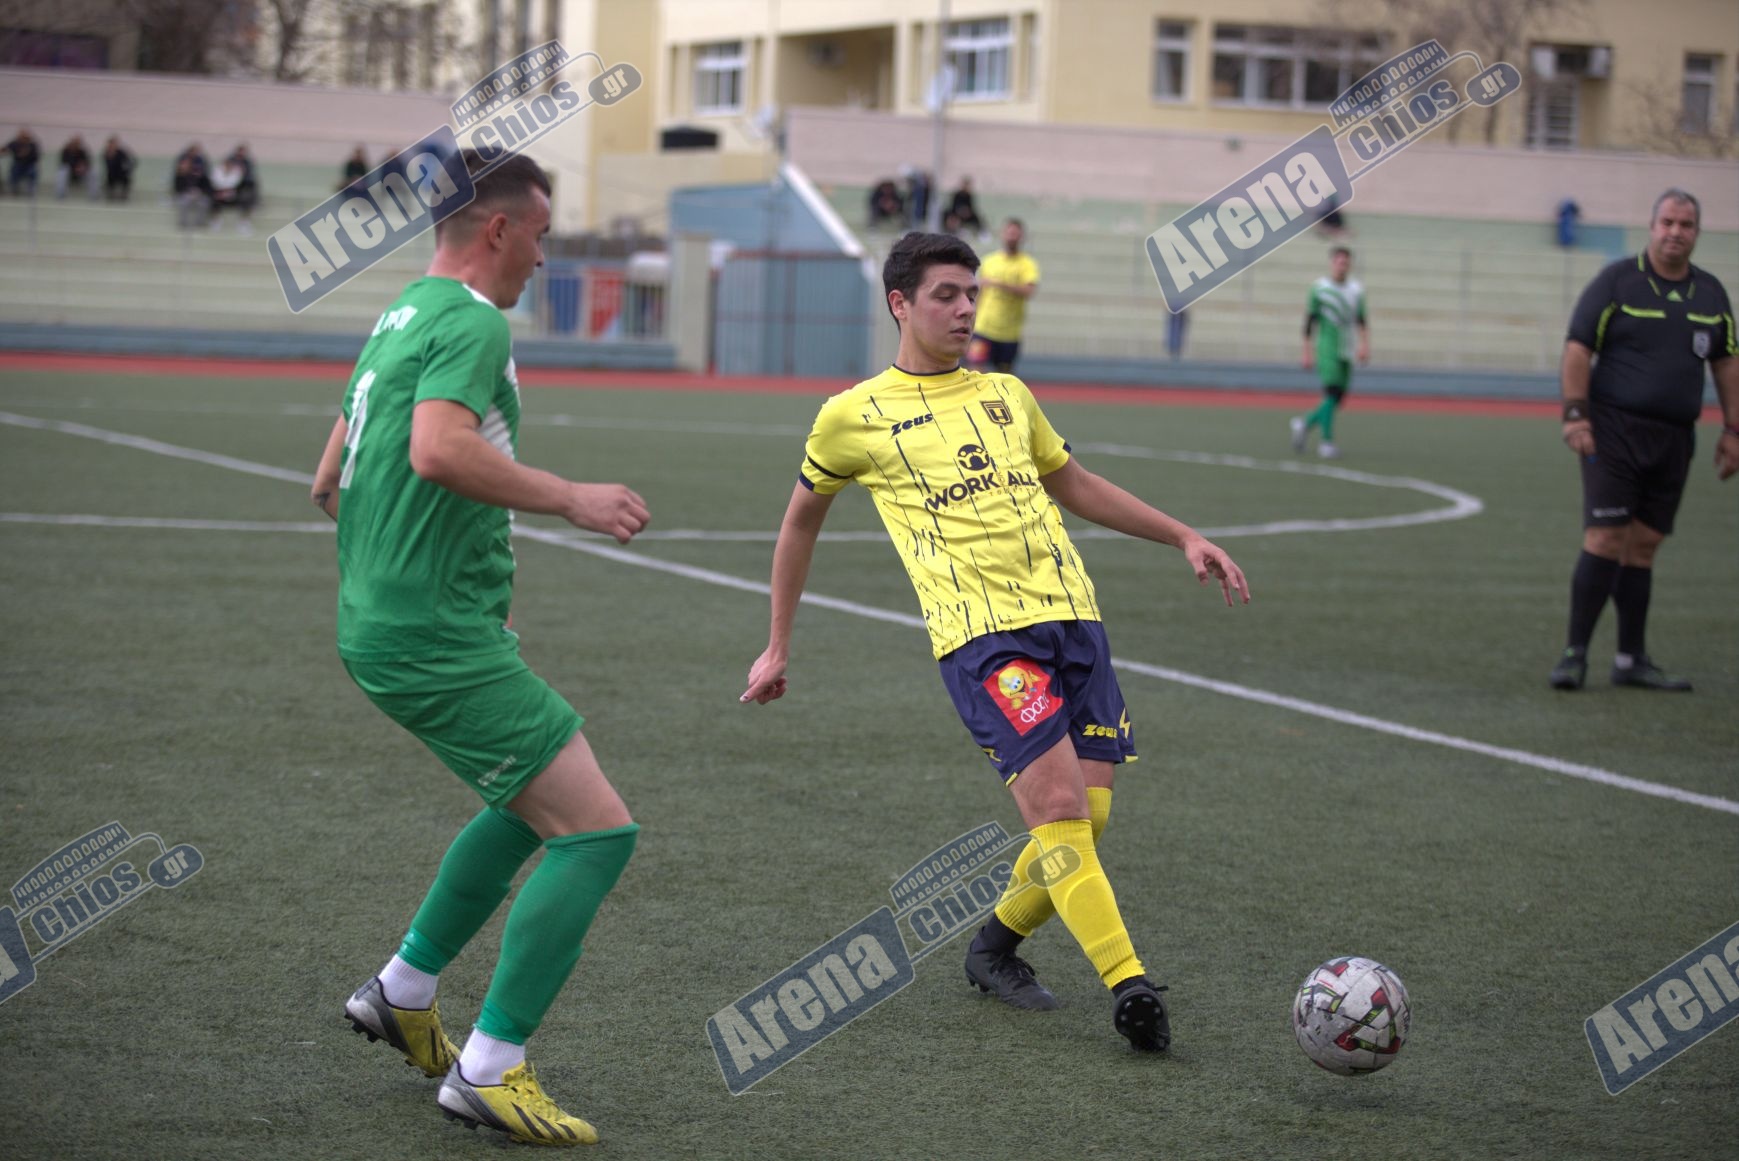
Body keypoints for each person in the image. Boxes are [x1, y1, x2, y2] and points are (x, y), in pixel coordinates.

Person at [741, 231, 1250, 1055]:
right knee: (1058, 811)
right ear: (899, 303)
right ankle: (1128, 985)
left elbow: (1074, 484)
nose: (966, 308)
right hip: (982, 639)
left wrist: (1182, 534)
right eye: (945, 293)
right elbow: (800, 521)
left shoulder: (1007, 393)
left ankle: (993, 947)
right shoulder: (852, 414)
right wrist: (777, 644)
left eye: (971, 293)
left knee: (1088, 817)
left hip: (1073, 618)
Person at [309, 151, 650, 1146]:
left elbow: (328, 478)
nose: (542, 258)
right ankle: (490, 1067)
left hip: (391, 621)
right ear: (496, 229)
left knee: (524, 804)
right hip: (429, 634)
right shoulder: (471, 319)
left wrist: (423, 574)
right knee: (596, 832)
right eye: (538, 235)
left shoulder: (400, 315)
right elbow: (435, 448)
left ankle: (403, 990)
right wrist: (572, 497)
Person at [1548, 188, 1739, 692]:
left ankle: (1631, 660)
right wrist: (1575, 415)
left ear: (1697, 232)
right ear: (1652, 227)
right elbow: (1577, 348)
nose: (1676, 232)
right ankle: (1574, 654)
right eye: (1668, 222)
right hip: (1612, 433)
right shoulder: (1617, 282)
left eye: (1686, 224)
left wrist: (1733, 429)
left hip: (1674, 438)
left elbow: (1726, 364)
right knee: (1605, 537)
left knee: (1645, 545)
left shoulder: (1711, 294)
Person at [1290, 246, 1369, 459]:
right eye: (1339, 262)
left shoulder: (1356, 290)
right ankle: (1326, 443)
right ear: (1332, 263)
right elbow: (1310, 322)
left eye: (1346, 262)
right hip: (1327, 348)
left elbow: (1362, 320)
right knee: (1331, 393)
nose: (1342, 266)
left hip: (1347, 349)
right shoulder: (1320, 289)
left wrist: (1364, 345)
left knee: (1338, 400)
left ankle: (1304, 423)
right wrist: (1307, 352)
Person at [968, 218, 1040, 374]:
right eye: (1009, 232)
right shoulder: (989, 261)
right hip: (983, 328)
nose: (1012, 237)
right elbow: (980, 293)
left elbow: (1029, 291)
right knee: (975, 371)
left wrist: (999, 284)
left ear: (1022, 237)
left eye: (1016, 233)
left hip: (1009, 333)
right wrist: (972, 317)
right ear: (1002, 234)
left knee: (1004, 376)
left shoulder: (1027, 264)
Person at [54, 134, 96, 200]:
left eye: (78, 143)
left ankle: (93, 196)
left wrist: (83, 168)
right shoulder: (66, 151)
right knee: (62, 171)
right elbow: (63, 163)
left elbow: (88, 163)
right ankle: (60, 195)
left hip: (81, 174)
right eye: (74, 142)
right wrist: (75, 168)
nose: (76, 144)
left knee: (92, 172)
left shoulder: (82, 152)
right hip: (69, 175)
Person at [3, 127, 39, 196]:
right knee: (13, 172)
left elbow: (36, 157)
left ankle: (31, 191)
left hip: (29, 165)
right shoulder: (15, 143)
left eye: (24, 135)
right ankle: (13, 190)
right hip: (18, 164)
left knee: (33, 172)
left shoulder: (32, 144)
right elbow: (5, 149)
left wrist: (26, 153)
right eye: (21, 135)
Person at [102, 136, 133, 201]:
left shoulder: (121, 153)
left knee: (126, 179)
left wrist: (127, 169)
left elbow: (129, 162)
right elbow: (109, 166)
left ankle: (124, 196)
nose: (112, 146)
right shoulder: (106, 153)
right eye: (111, 144)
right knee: (109, 179)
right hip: (112, 174)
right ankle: (110, 195)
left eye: (114, 144)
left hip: (121, 173)